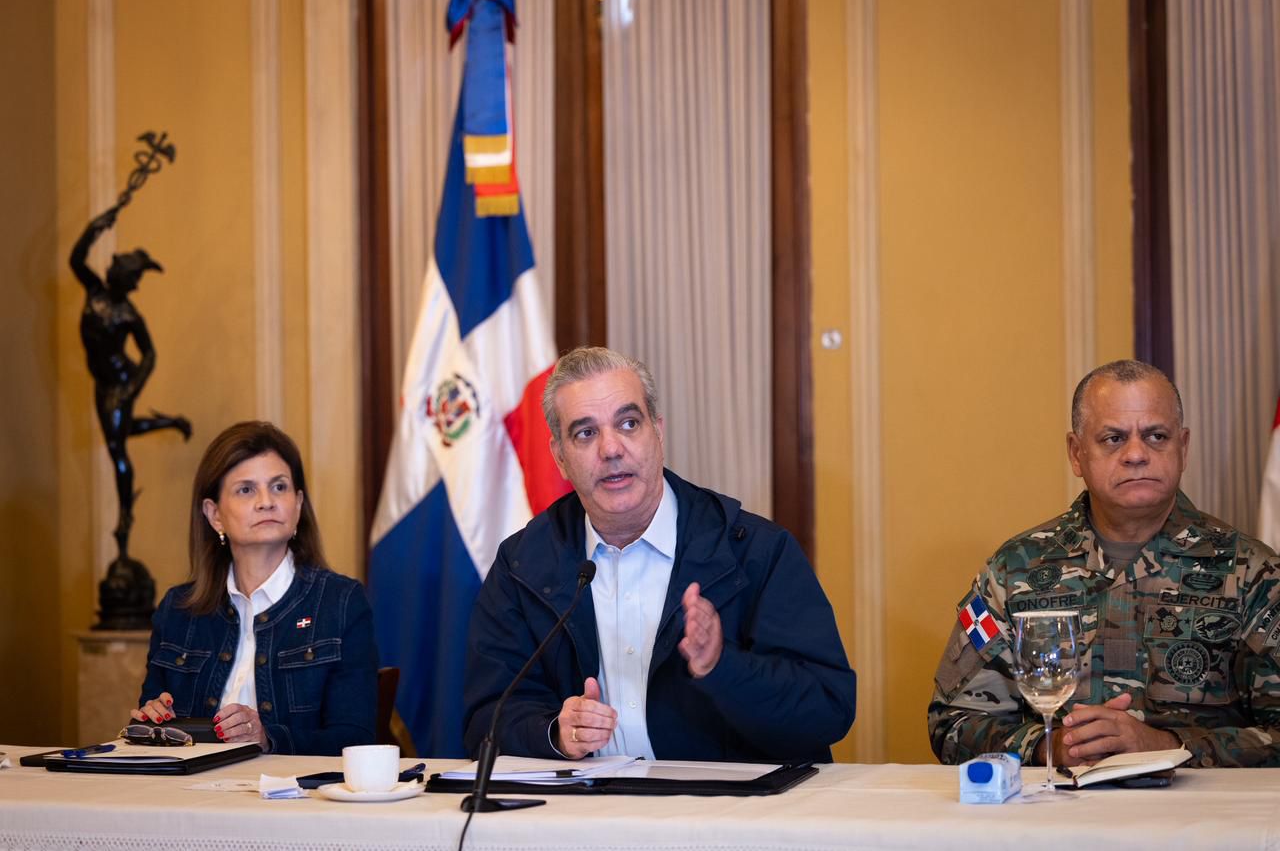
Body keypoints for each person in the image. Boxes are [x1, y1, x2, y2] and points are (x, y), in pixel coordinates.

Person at [463, 346, 856, 762]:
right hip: (588, 801)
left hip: (725, 801)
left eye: (628, 423)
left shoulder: (756, 552)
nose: (611, 449)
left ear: (658, 432)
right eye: (586, 433)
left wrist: (722, 666)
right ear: (560, 458)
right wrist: (554, 734)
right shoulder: (523, 565)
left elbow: (827, 709)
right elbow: (485, 718)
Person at [929, 360, 1280, 768]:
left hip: (1197, 807)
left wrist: (1169, 746)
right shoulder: (1014, 571)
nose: (1136, 454)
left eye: (1156, 436)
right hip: (1059, 803)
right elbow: (951, 723)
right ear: (1077, 454)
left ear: (1183, 448)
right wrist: (1048, 747)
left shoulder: (1253, 573)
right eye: (1114, 438)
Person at [133, 421, 378, 755]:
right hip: (194, 786)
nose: (266, 502)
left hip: (294, 789)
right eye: (246, 490)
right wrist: (152, 721)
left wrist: (268, 738)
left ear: (298, 504)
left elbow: (355, 740)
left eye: (279, 487)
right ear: (214, 515)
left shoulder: (341, 602)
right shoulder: (178, 609)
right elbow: (150, 732)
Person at [70, 205, 191, 558]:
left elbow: (149, 353)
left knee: (116, 449)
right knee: (119, 434)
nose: (135, 284)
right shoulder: (94, 290)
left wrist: (131, 388)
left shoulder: (129, 314)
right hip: (102, 382)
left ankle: (124, 520)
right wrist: (97, 225)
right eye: (133, 277)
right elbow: (75, 259)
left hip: (119, 382)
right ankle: (170, 422)